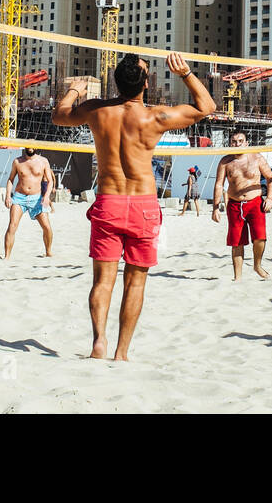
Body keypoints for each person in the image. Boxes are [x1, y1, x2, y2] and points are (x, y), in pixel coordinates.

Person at [53, 52, 214, 360]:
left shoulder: (97, 111)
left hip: (109, 202)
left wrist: (76, 89)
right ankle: (121, 352)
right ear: (146, 84)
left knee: (103, 281)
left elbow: (60, 115)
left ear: (116, 83)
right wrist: (185, 74)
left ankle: (98, 342)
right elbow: (207, 107)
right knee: (136, 282)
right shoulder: (156, 117)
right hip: (143, 205)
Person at [212, 132, 272, 280]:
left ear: (246, 143)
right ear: (230, 143)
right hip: (235, 204)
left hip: (255, 203)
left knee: (260, 238)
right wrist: (215, 207)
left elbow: (270, 178)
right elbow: (219, 184)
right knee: (237, 242)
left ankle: (257, 266)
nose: (237, 144)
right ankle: (238, 277)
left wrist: (270, 198)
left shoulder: (257, 157)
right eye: (234, 141)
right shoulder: (225, 161)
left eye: (240, 141)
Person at [3, 147, 54, 259]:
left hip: (36, 198)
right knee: (12, 226)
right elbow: (10, 179)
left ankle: (48, 252)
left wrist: (46, 197)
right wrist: (7, 196)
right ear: (25, 145)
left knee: (47, 227)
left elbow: (50, 181)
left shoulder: (43, 161)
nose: (30, 147)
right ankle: (7, 256)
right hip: (19, 198)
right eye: (28, 144)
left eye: (32, 145)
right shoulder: (17, 161)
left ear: (36, 146)